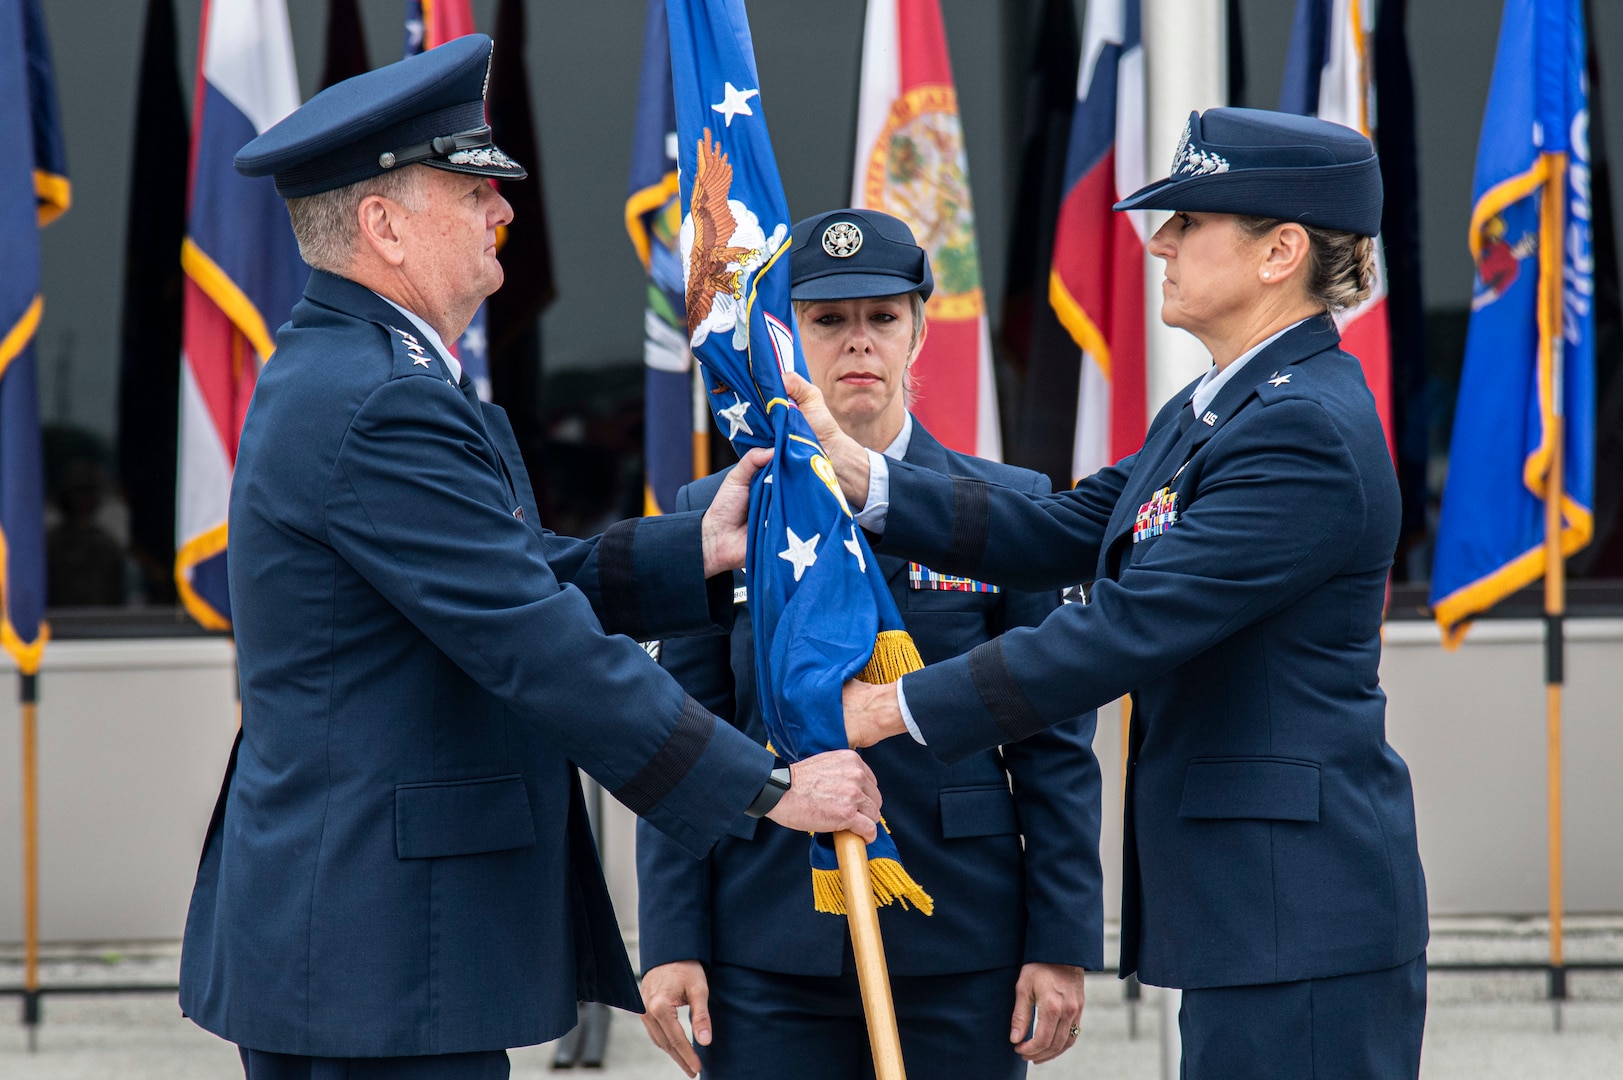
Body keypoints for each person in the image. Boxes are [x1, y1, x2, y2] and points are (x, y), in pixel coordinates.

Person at [178, 37, 882, 1080]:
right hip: (382, 955)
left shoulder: (362, 372)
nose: (505, 211)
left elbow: (505, 576)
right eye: (472, 191)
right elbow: (530, 640)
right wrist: (766, 785)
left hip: (364, 943)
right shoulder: (380, 400)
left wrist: (695, 550)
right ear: (384, 224)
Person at [798, 109, 1429, 1080]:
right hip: (1255, 916)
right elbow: (1063, 530)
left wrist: (890, 707)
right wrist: (864, 478)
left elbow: (1124, 629)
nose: (1160, 241)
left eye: (1190, 221)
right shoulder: (1223, 405)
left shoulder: (1299, 432)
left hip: (1301, 918)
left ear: (1281, 252)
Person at [635, 209, 1102, 1080]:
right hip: (764, 939)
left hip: (957, 938)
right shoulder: (721, 512)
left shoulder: (1005, 508)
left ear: (918, 331)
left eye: (882, 318)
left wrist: (1061, 939)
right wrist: (670, 941)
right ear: (788, 336)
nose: (858, 343)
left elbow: (1053, 745)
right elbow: (679, 735)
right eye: (827, 320)